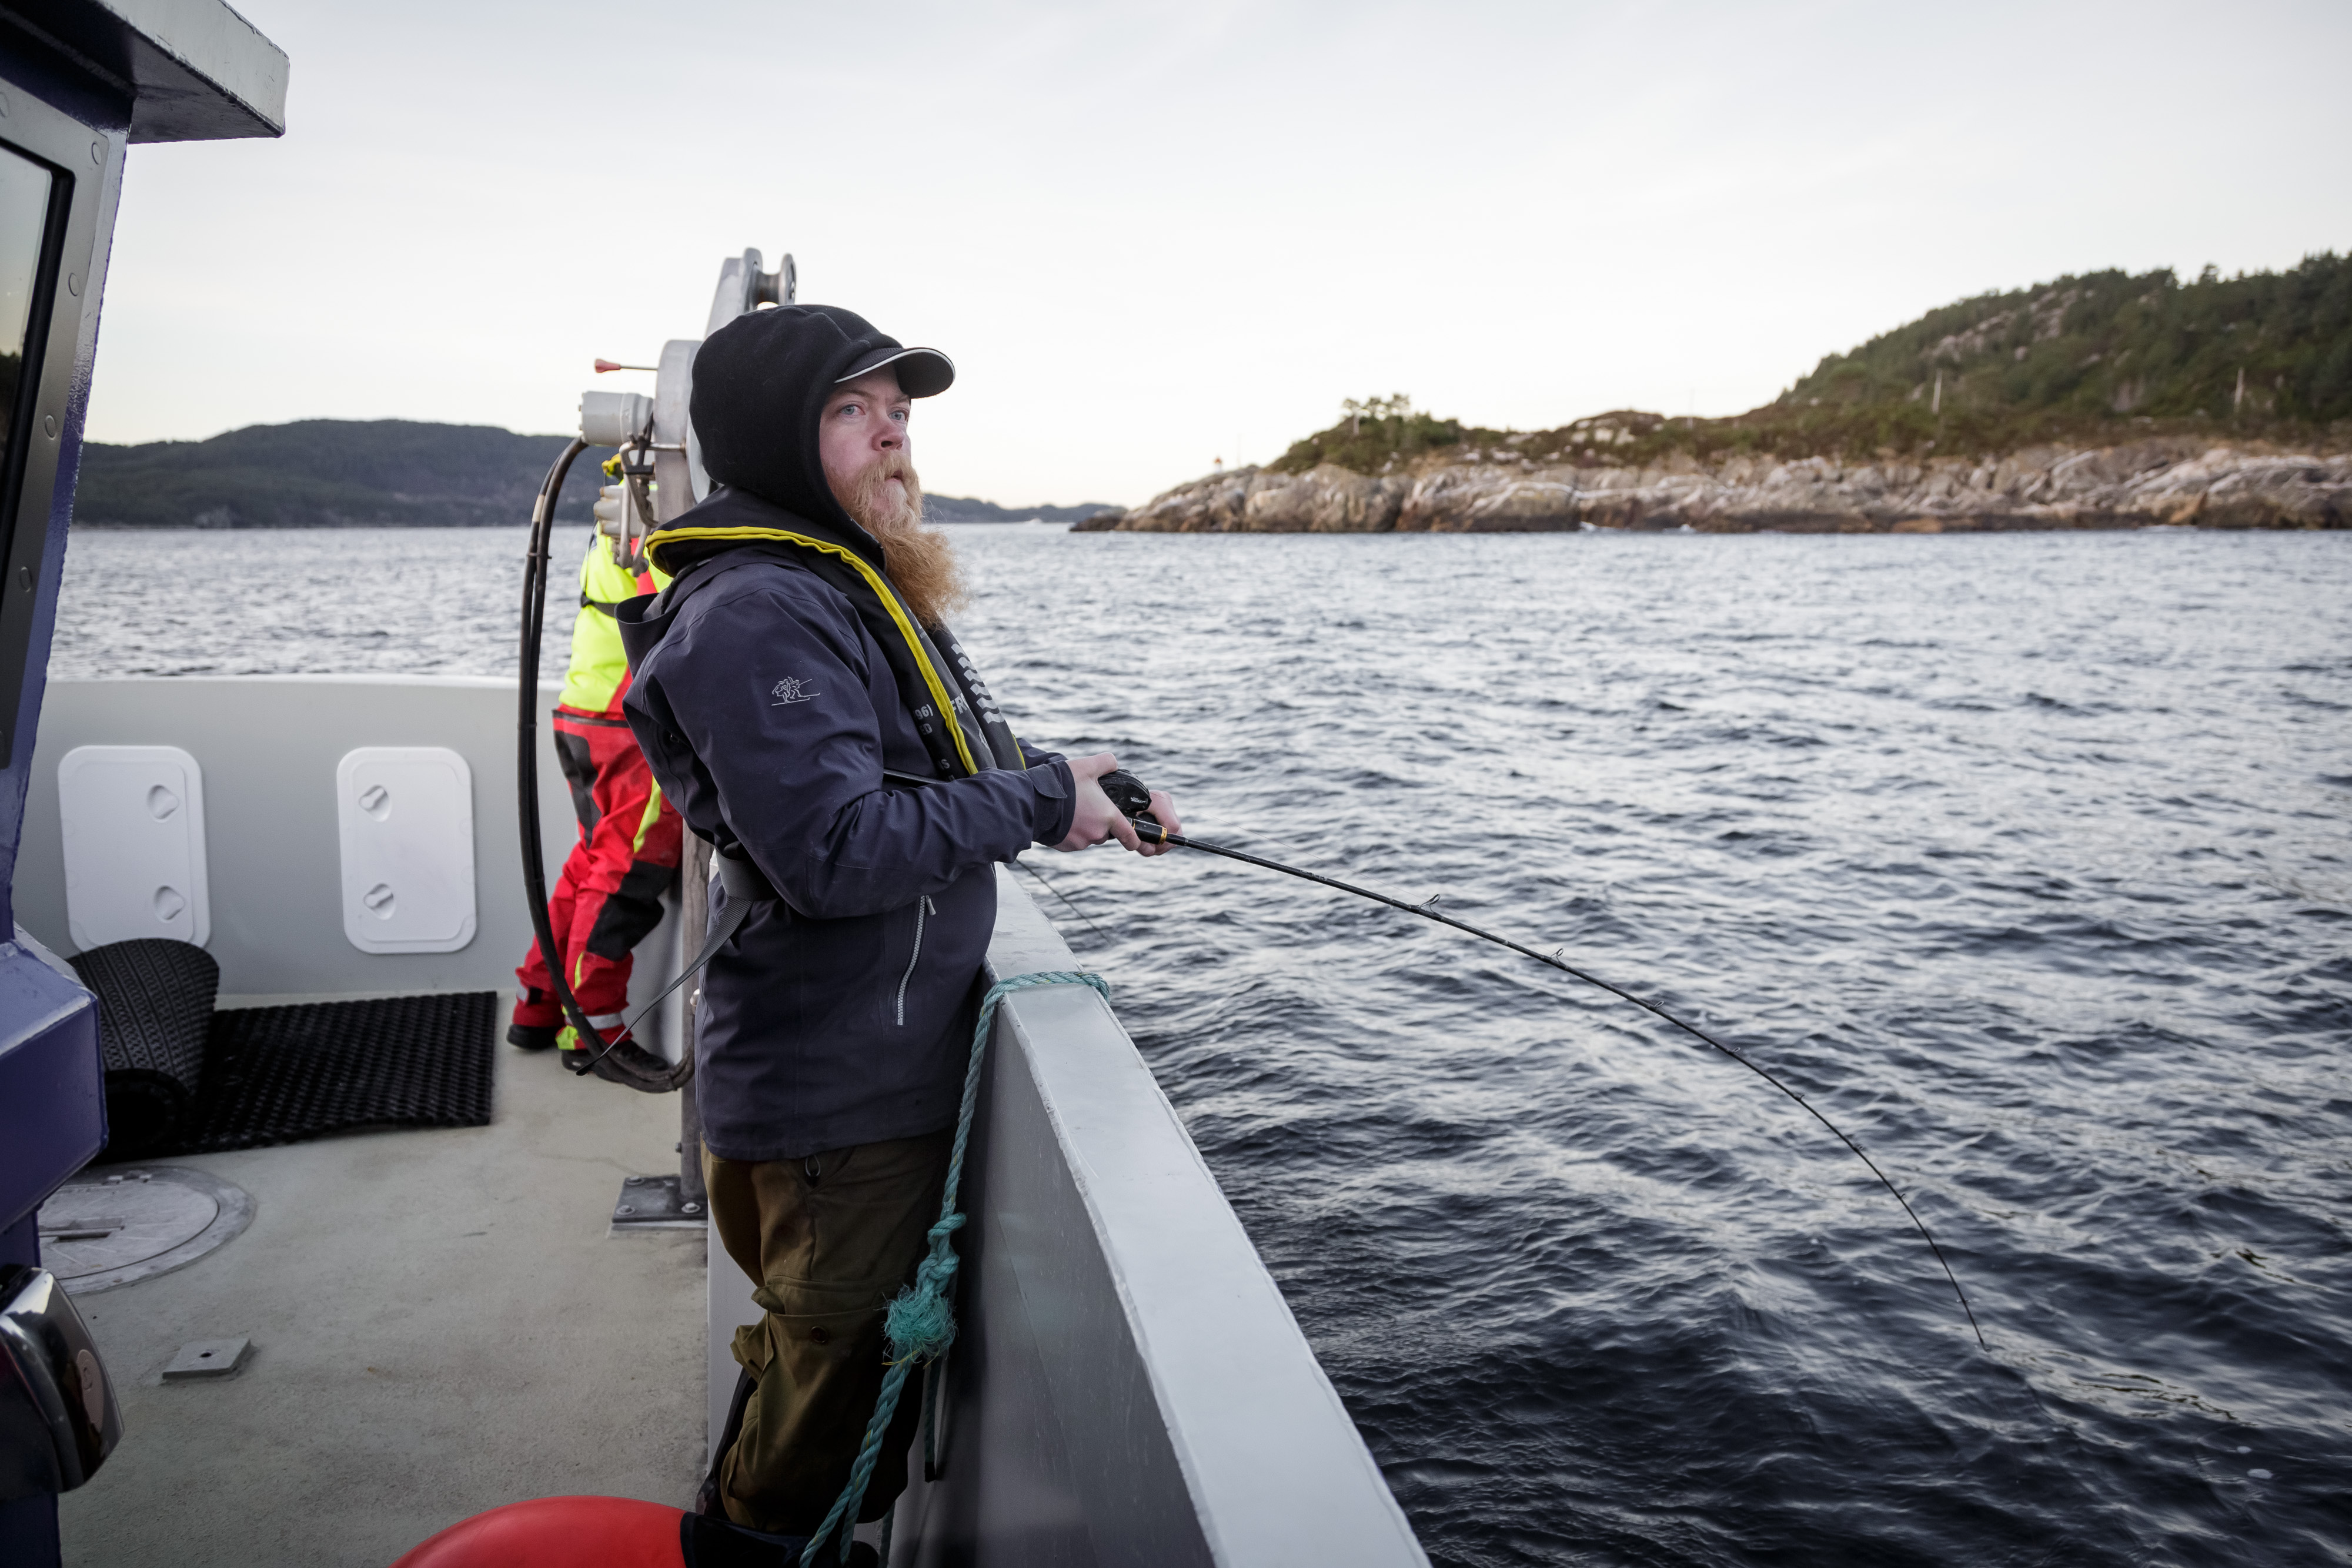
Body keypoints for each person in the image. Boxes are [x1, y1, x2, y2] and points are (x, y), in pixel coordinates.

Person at [612, 303, 1178, 1545]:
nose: (893, 441)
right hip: (835, 1106)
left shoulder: (830, 582)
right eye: (851, 412)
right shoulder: (761, 608)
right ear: (775, 434)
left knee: (807, 1378)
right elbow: (833, 848)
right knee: (808, 1448)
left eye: (899, 413)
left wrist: (1063, 773)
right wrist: (1037, 799)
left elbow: (915, 759)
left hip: (862, 1080)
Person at [509, 493, 682, 1071]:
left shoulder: (622, 506)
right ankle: (593, 1028)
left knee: (593, 858)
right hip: (627, 718)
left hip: (586, 706)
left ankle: (538, 1000)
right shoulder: (670, 506)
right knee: (626, 872)